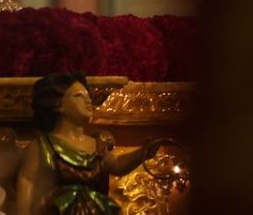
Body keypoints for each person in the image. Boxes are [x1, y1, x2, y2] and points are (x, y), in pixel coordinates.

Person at [14, 73, 168, 215]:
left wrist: (141, 154)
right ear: (58, 105)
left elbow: (116, 165)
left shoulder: (97, 144)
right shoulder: (44, 145)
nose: (88, 101)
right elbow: (27, 180)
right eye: (78, 96)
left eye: (88, 96)